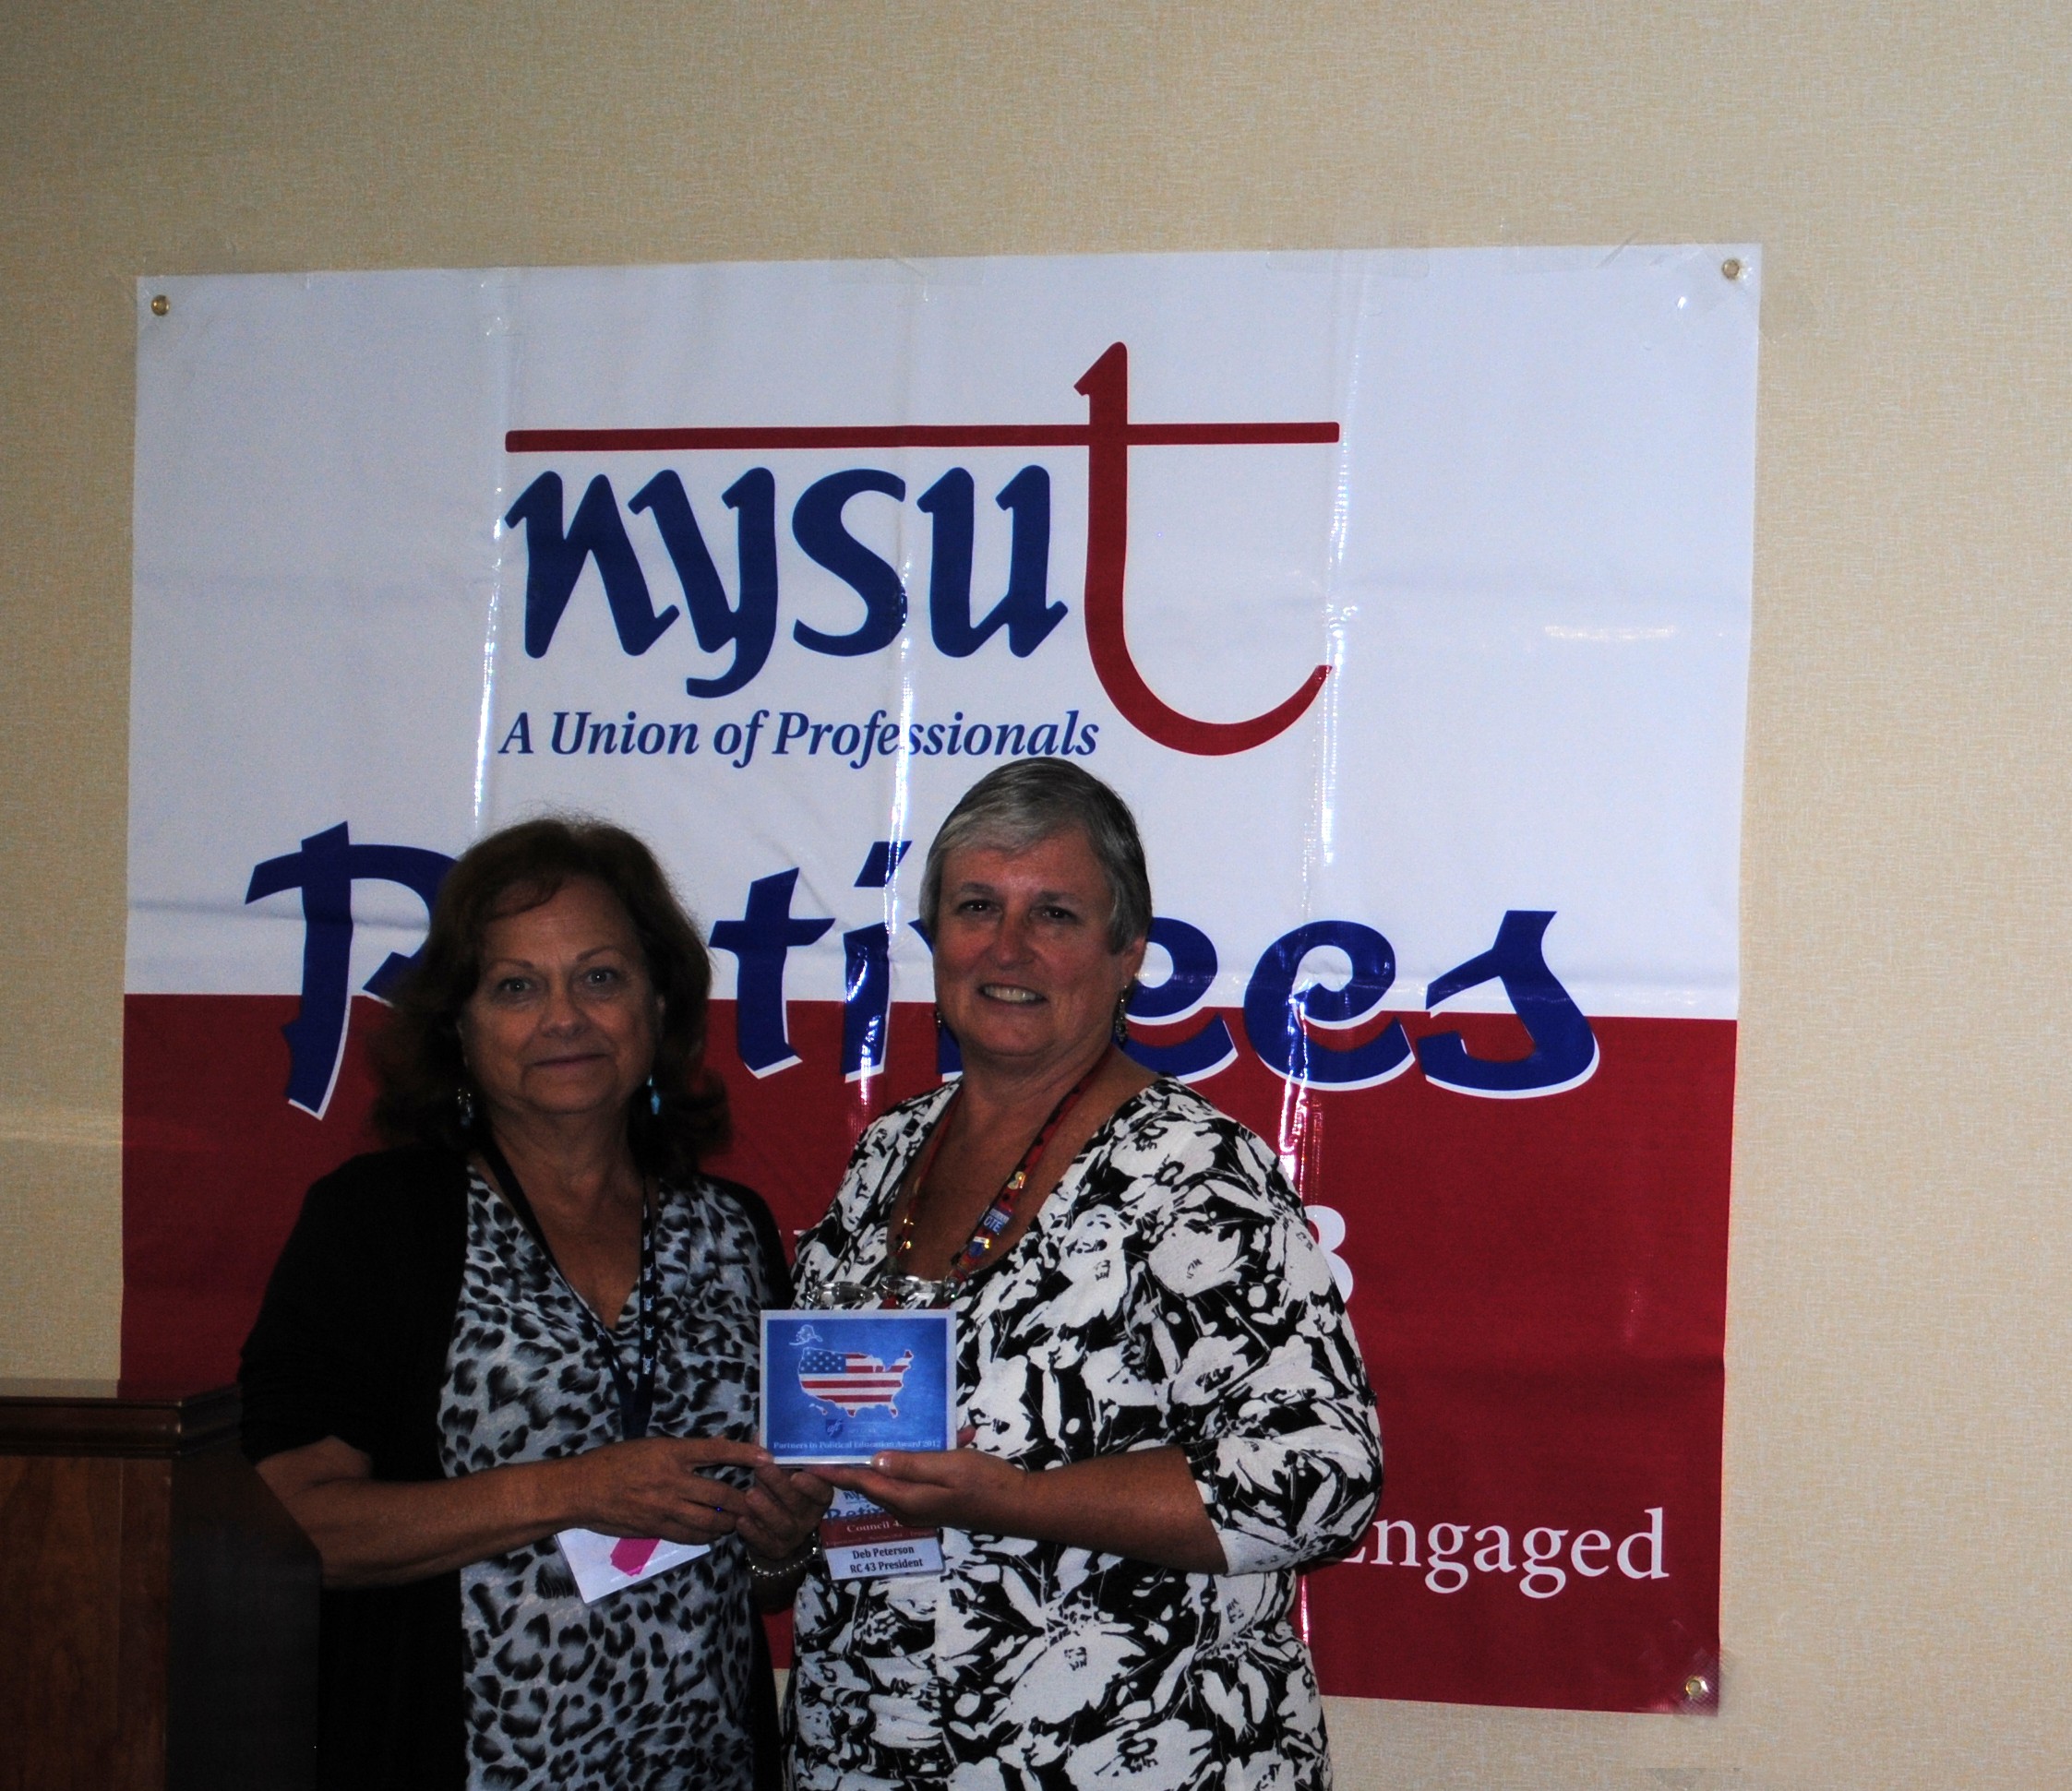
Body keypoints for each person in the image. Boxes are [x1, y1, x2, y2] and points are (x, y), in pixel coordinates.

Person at [784, 759, 1383, 1790]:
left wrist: (1018, 1500)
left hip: (1130, 1757)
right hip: (863, 1749)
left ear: (1127, 954)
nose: (1007, 948)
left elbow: (1322, 1480)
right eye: (977, 907)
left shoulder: (1194, 1171)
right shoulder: (888, 1151)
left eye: (1054, 914)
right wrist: (782, 1512)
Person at [240, 817, 830, 1791]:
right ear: (459, 1026)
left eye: (600, 977)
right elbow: (292, 1527)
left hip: (702, 1764)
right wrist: (570, 1489)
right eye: (516, 987)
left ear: (657, 1003)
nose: (564, 1018)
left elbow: (763, 1574)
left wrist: (777, 1543)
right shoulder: (378, 1223)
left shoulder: (732, 1228)